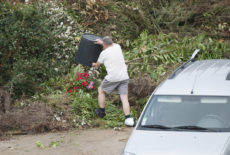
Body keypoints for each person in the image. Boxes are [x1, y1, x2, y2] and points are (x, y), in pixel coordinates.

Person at [92, 36, 135, 126]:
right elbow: (111, 44)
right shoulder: (117, 46)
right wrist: (101, 42)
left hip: (113, 77)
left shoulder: (103, 53)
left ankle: (102, 112)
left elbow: (97, 65)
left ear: (104, 45)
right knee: (124, 98)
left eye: (103, 44)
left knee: (101, 90)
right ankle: (128, 119)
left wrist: (94, 64)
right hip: (124, 76)